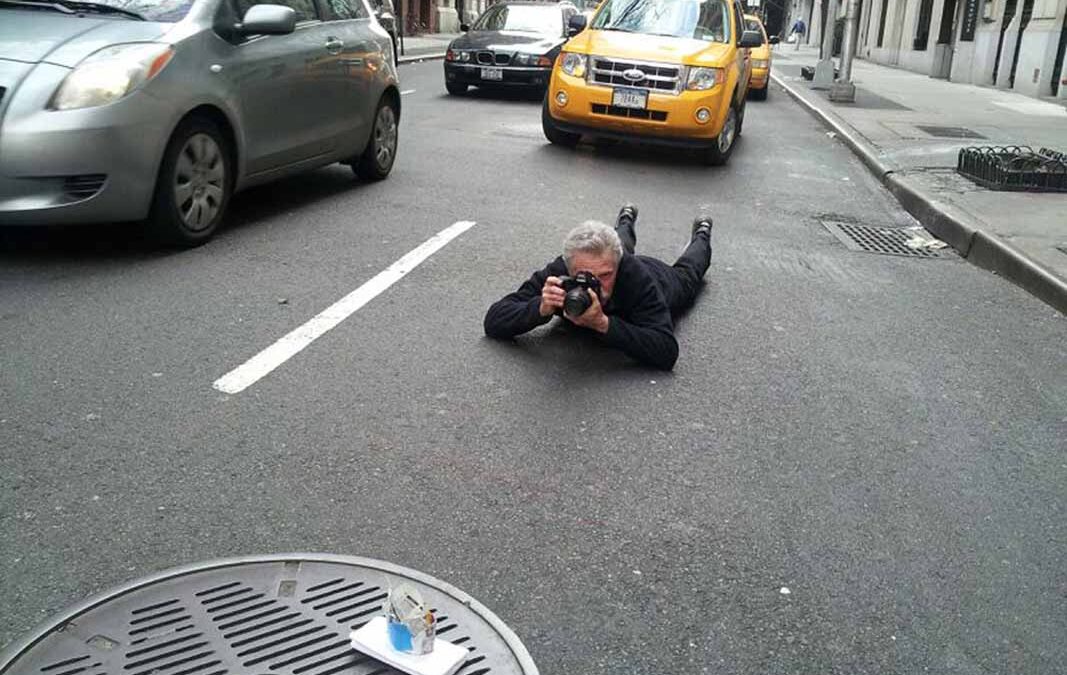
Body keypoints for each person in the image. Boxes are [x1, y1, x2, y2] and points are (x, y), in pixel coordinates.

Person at [483, 206, 713, 370]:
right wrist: (539, 309)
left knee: (690, 273)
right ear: (570, 268)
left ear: (617, 267)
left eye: (604, 276)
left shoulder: (635, 278)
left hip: (661, 278)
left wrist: (603, 324)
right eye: (584, 276)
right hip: (612, 258)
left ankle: (702, 234)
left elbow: (666, 351)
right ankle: (626, 219)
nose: (595, 285)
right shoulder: (559, 271)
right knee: (617, 245)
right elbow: (493, 320)